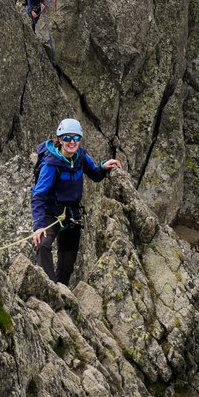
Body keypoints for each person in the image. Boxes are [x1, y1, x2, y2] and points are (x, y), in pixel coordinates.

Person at [30, 118, 121, 285]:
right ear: (60, 139)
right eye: (67, 138)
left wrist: (103, 167)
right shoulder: (51, 164)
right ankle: (50, 290)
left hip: (72, 215)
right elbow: (38, 195)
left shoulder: (81, 156)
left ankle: (61, 291)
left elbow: (94, 174)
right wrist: (38, 226)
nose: (72, 142)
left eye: (76, 138)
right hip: (52, 214)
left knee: (67, 263)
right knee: (42, 245)